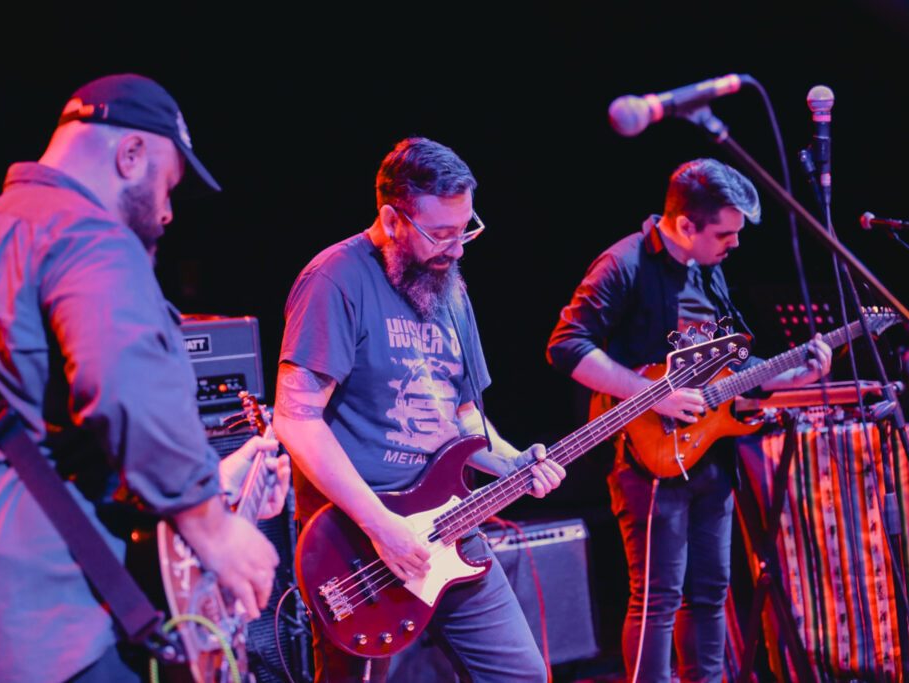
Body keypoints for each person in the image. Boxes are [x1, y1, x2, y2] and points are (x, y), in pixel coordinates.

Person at [0, 74, 290, 683]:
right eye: (167, 187)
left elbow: (40, 445)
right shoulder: (86, 233)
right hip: (50, 632)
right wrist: (212, 526)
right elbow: (126, 393)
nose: (166, 213)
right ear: (130, 154)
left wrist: (217, 483)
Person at [272, 137, 566, 682]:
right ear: (392, 219)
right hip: (359, 544)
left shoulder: (452, 290)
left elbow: (464, 414)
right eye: (441, 233)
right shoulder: (335, 279)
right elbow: (295, 418)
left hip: (451, 523)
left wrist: (513, 463)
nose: (458, 249)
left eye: (466, 229)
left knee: (524, 675)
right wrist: (381, 526)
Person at [545, 158, 832, 682]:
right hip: (647, 458)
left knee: (710, 593)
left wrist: (797, 374)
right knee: (658, 597)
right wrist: (652, 395)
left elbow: (734, 365)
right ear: (684, 224)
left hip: (709, 453)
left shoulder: (708, 267)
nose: (735, 243)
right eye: (725, 233)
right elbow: (566, 346)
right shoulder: (623, 264)